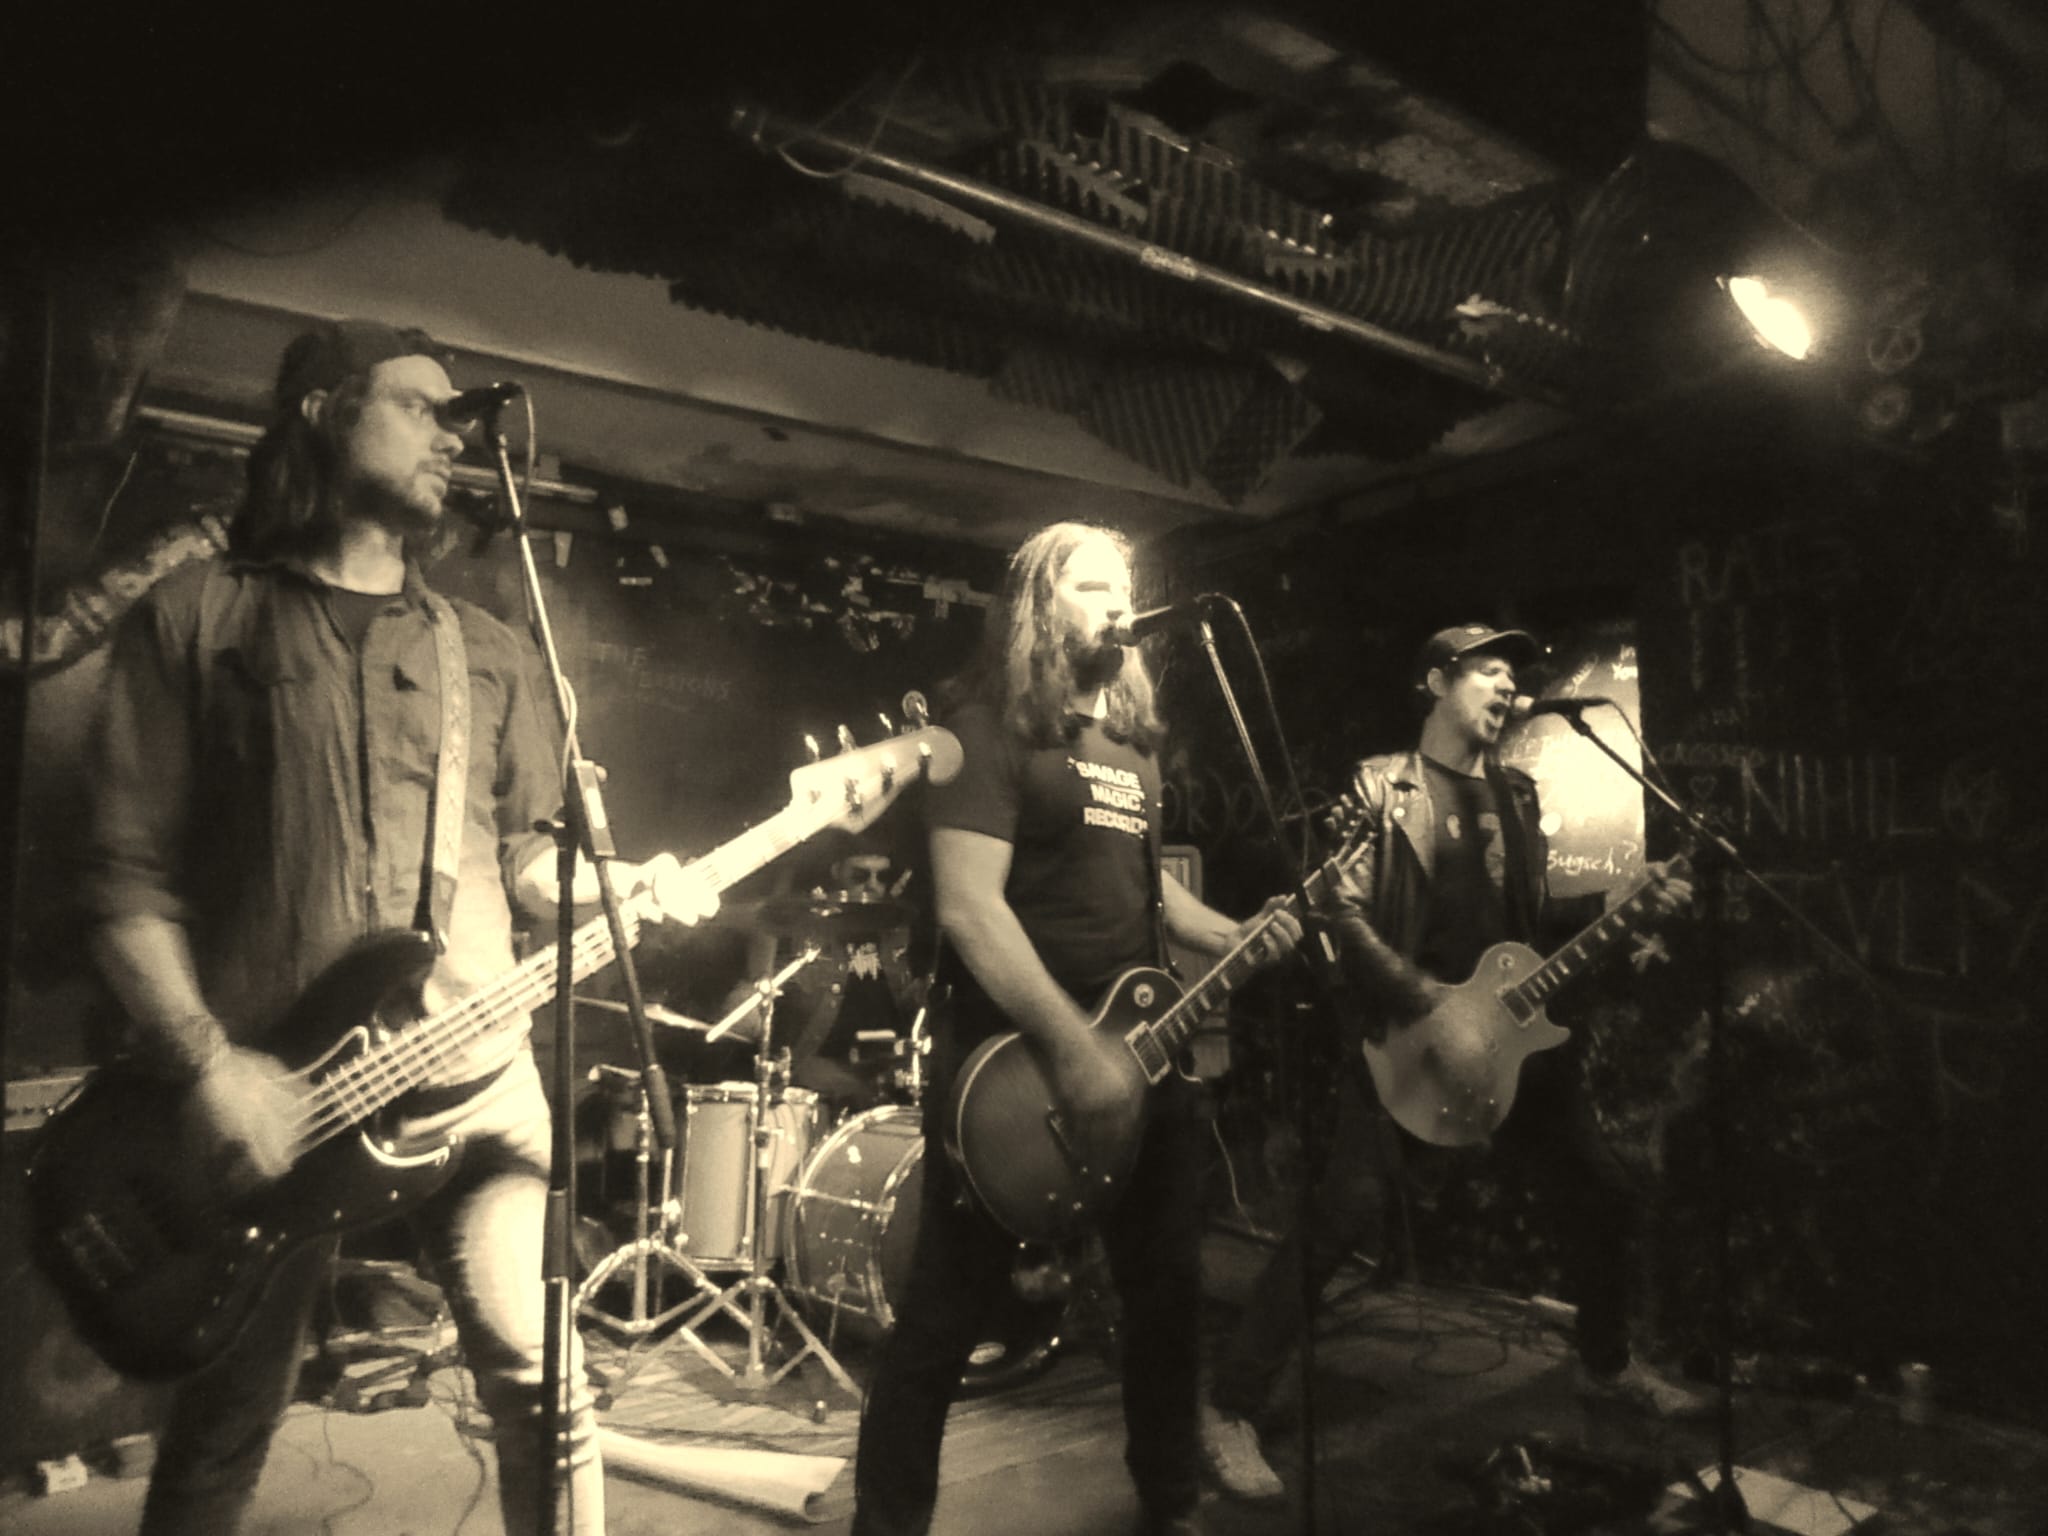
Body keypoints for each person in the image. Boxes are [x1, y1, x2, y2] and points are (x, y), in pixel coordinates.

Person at [78, 318, 717, 1536]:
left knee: (548, 1395)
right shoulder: (196, 621)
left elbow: (526, 859)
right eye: (420, 406)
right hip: (283, 1103)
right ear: (324, 411)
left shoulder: (490, 651)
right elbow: (122, 881)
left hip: (477, 1079)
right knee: (220, 1438)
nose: (453, 438)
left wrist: (616, 884)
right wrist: (210, 1066)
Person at [851, 522, 1301, 1536]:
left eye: (1123, 586)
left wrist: (1229, 933)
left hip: (1139, 1053)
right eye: (1091, 585)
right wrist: (1072, 1047)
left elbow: (1146, 893)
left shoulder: (1134, 745)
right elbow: (971, 910)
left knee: (1167, 1297)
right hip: (1013, 1066)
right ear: (1035, 605)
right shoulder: (982, 728)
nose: (1118, 603)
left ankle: (1170, 1505)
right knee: (942, 1317)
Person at [1202, 622, 1709, 1500]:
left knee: (1597, 1186)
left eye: (1517, 676)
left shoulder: (1517, 795)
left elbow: (1532, 928)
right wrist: (1420, 999)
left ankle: (1605, 1363)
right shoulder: (1380, 785)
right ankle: (1230, 1405)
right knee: (1345, 1213)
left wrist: (1623, 901)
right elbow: (1338, 909)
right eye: (1491, 669)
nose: (1510, 686)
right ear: (1438, 681)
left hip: (1509, 1034)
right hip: (1407, 1039)